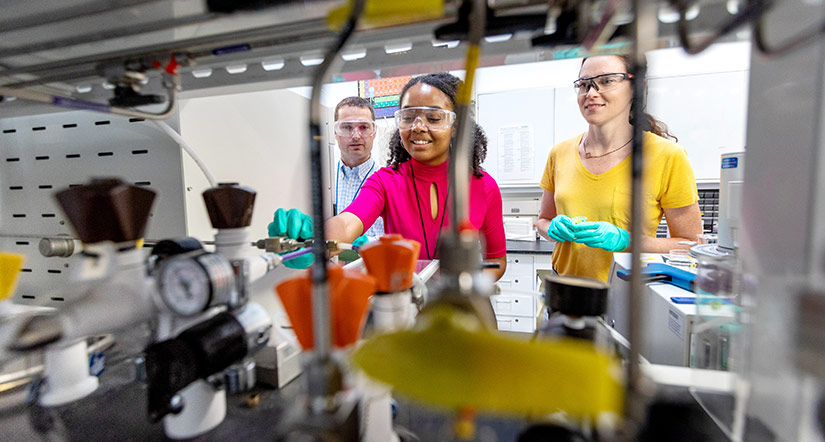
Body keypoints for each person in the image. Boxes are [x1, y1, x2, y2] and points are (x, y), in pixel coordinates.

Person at [270, 73, 507, 281]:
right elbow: (348, 222)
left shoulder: (484, 186)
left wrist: (463, 288)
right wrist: (312, 241)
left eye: (433, 118)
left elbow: (497, 261)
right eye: (408, 116)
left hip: (464, 311)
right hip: (403, 306)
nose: (418, 127)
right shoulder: (385, 181)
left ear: (456, 126)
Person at [534, 54, 702, 282]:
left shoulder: (667, 156)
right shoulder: (559, 153)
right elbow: (543, 220)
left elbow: (690, 245)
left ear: (636, 88)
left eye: (606, 81)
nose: (591, 93)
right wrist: (551, 227)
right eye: (584, 84)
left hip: (626, 295)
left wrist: (626, 240)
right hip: (564, 290)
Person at [332, 96, 384, 241]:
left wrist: (368, 243)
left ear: (374, 131)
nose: (356, 136)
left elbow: (399, 238)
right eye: (347, 127)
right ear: (335, 132)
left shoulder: (389, 182)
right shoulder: (324, 179)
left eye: (364, 127)